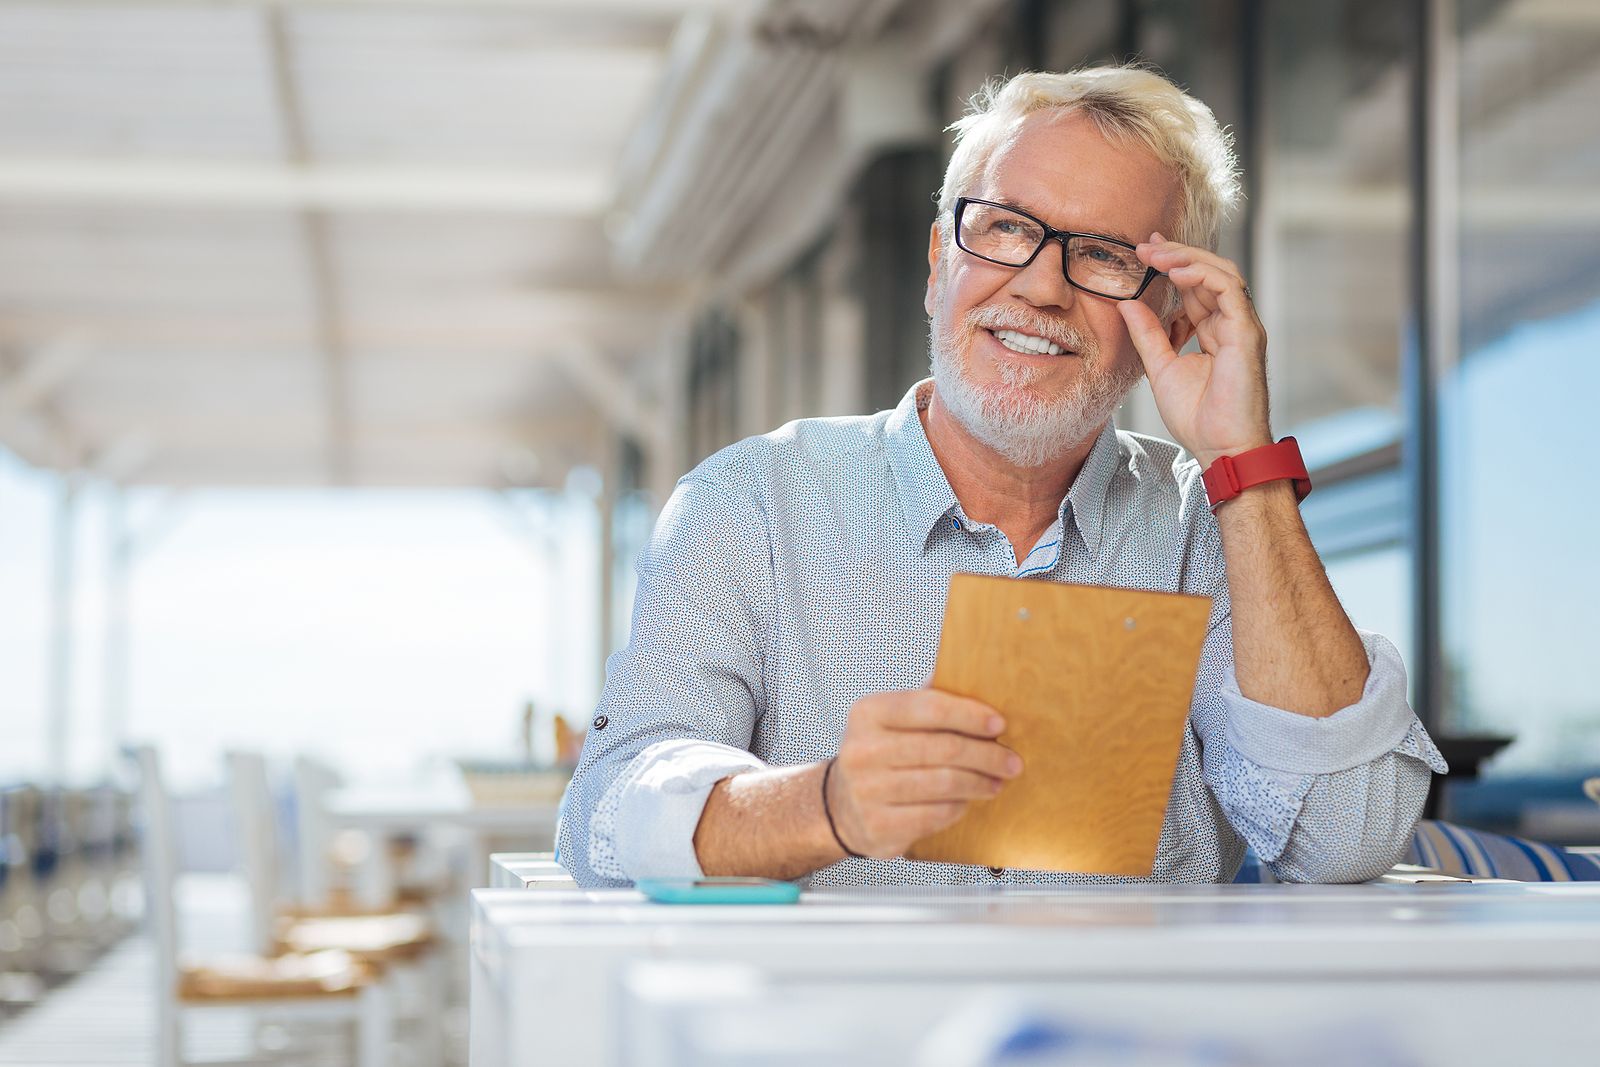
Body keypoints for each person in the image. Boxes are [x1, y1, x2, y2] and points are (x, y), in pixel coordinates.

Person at [555, 65, 1446, 888]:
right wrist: (824, 805)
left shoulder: (1204, 525)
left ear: (1167, 321)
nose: (1041, 288)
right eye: (1007, 228)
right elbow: (604, 821)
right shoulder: (748, 504)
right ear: (941, 265)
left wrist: (1243, 464)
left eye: (1102, 255)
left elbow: (1346, 837)